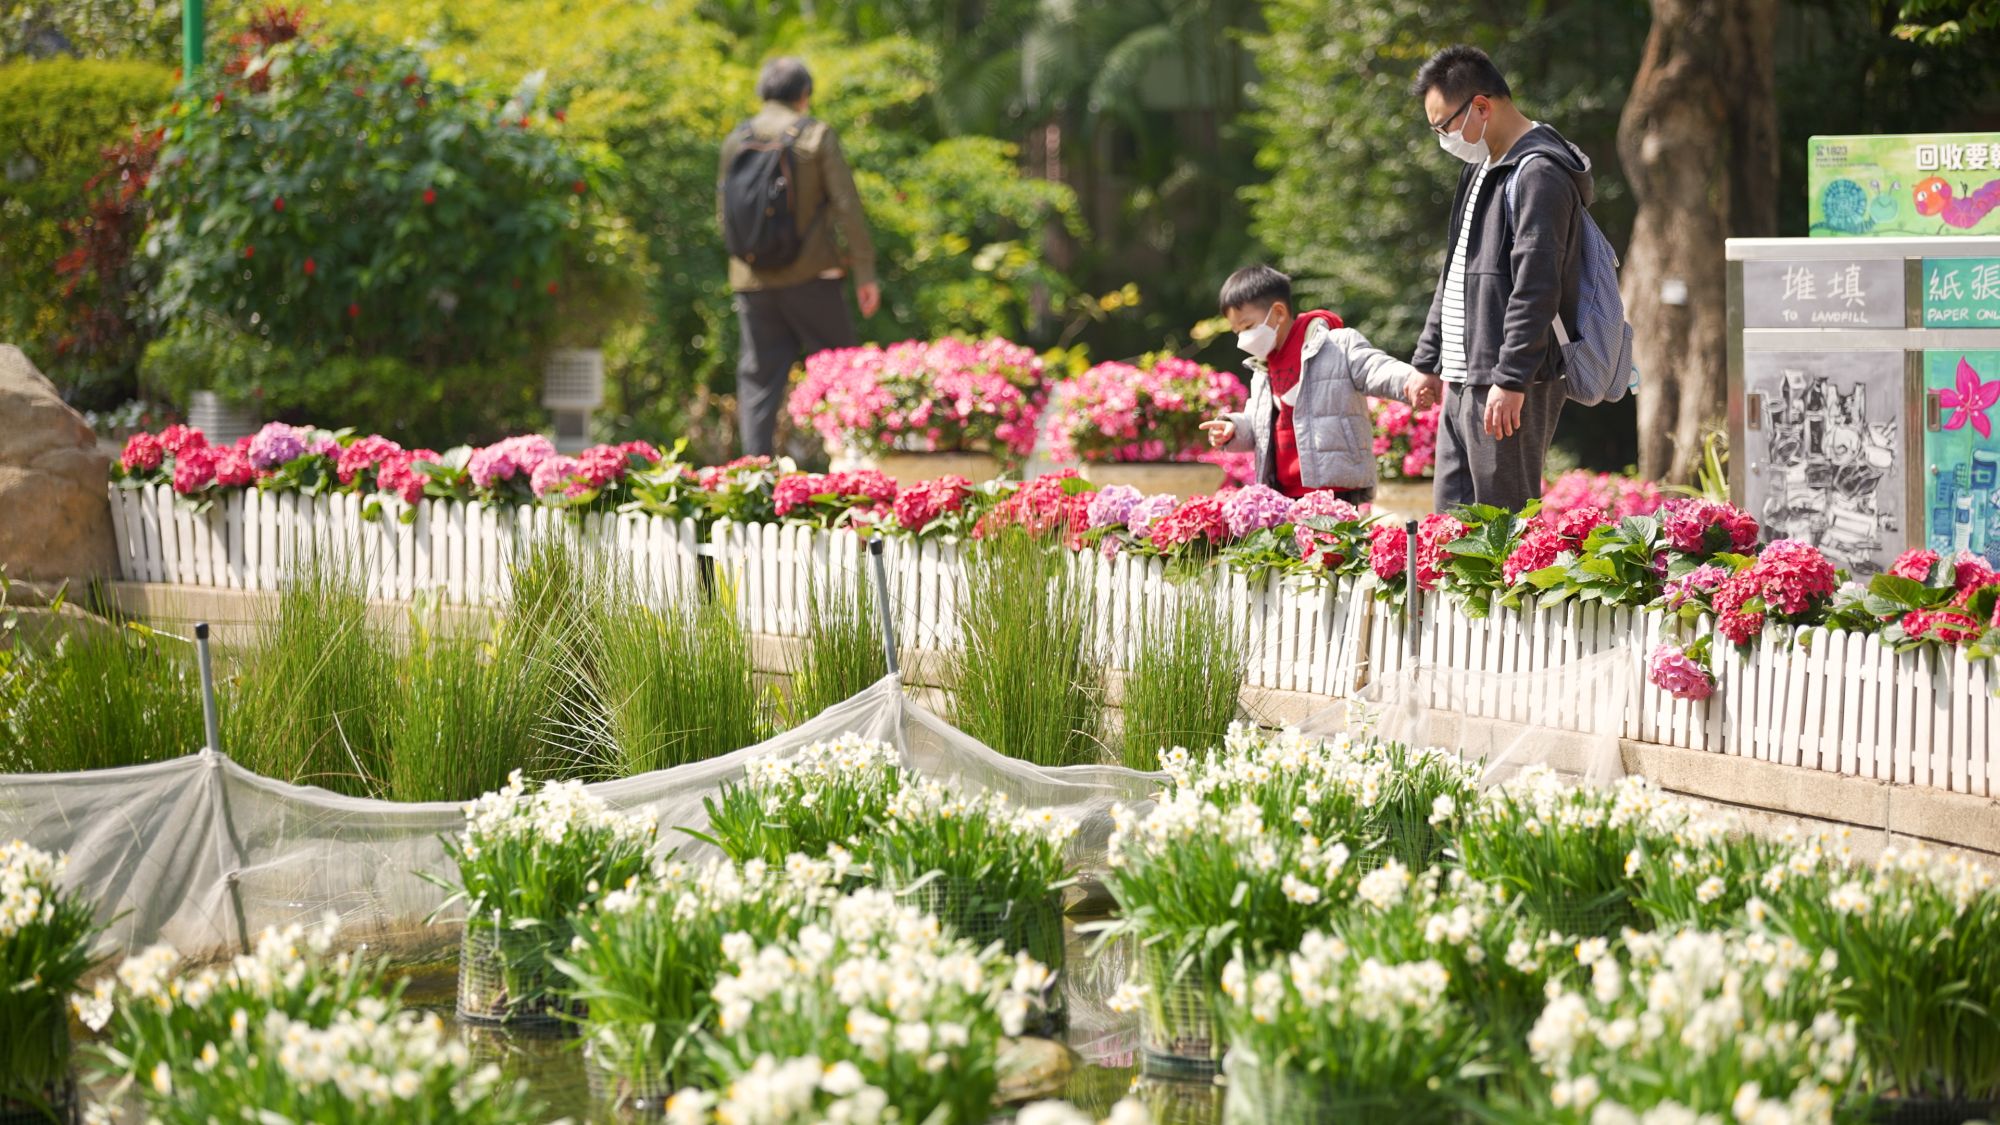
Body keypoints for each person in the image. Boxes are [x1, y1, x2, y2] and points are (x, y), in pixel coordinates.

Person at [1408, 44, 1594, 513]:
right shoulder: (1481, 168)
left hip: (1508, 380)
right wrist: (1429, 358)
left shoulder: (1539, 173)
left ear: (1482, 107)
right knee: (1453, 526)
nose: (1443, 139)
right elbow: (1455, 270)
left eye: (1443, 127)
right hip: (1463, 374)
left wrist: (1512, 378)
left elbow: (1537, 285)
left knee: (1503, 526)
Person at [720, 57, 880, 457]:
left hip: (752, 280)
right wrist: (865, 273)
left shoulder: (735, 139)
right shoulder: (816, 135)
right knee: (842, 374)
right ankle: (856, 471)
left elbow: (724, 213)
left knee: (758, 384)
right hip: (812, 276)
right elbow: (847, 206)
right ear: (804, 94)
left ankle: (753, 484)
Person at [1200, 265, 1433, 505]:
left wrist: (1412, 380)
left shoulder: (1336, 345)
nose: (1243, 339)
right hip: (1283, 494)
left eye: (1248, 327)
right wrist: (1233, 429)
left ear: (1278, 313)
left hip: (1335, 490)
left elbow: (1375, 368)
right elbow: (1258, 423)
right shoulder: (1262, 367)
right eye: (1237, 331)